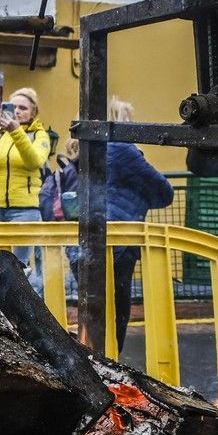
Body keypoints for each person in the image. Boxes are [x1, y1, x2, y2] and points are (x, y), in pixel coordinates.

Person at [72, 97, 173, 352]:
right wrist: (141, 197)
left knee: (91, 308)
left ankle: (90, 362)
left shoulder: (85, 149)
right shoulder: (123, 149)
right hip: (119, 241)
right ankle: (110, 365)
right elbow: (165, 192)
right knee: (117, 312)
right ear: (120, 121)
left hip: (84, 241)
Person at [0, 86, 52, 292]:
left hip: (25, 210)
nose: (18, 111)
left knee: (19, 267)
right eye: (13, 107)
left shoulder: (39, 136)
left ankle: (21, 310)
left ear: (33, 112)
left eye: (23, 108)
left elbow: (34, 161)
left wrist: (16, 131)